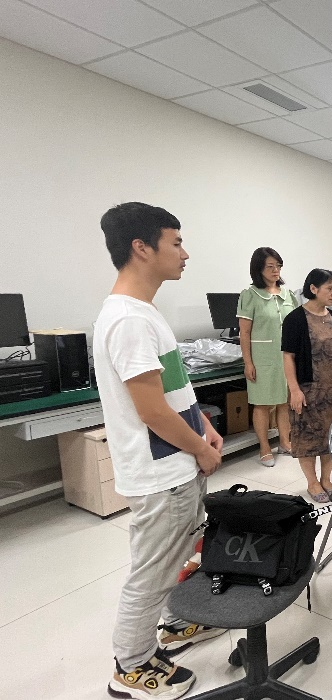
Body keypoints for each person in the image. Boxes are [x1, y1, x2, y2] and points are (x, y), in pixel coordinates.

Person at [95, 202, 225, 699]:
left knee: (177, 554)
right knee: (152, 571)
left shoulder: (146, 312)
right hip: (160, 473)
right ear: (141, 248)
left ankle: (175, 624)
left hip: (179, 461)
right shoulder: (127, 319)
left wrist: (205, 429)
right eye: (176, 242)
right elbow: (150, 411)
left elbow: (173, 391)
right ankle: (130, 665)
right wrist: (201, 450)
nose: (185, 253)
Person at [282, 269, 332, 504]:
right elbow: (288, 356)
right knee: (308, 436)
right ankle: (312, 482)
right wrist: (294, 389)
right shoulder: (295, 319)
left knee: (331, 435)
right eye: (329, 288)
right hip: (308, 389)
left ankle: (326, 479)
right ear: (313, 289)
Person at [236, 247, 299, 467]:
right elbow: (244, 332)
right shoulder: (250, 295)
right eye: (270, 266)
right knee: (262, 404)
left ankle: (285, 442)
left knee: (284, 402)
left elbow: (296, 326)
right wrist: (248, 363)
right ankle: (264, 448)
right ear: (258, 269)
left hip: (286, 358)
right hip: (262, 359)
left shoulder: (288, 295)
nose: (275, 270)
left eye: (278, 266)